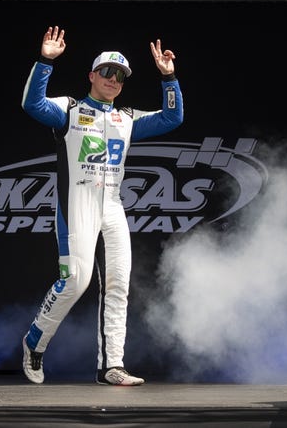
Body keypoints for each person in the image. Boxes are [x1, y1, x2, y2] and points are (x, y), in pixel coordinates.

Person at [20, 25, 183, 386]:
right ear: (92, 75)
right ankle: (35, 341)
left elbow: (173, 118)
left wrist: (169, 78)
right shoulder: (70, 110)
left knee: (118, 284)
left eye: (121, 76)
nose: (113, 79)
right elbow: (32, 104)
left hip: (111, 206)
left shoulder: (127, 118)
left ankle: (112, 365)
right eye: (107, 72)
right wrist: (44, 61)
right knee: (75, 282)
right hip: (77, 205)